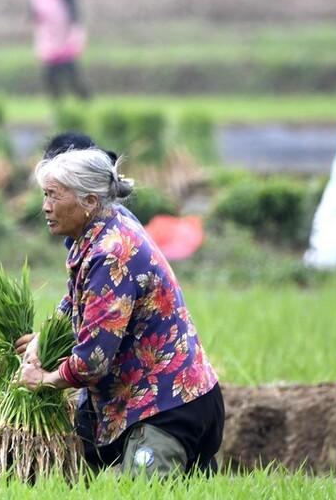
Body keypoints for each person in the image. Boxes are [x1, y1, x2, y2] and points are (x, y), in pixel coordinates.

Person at [14, 148, 225, 476]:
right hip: (175, 400)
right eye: (44, 195)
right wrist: (43, 338)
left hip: (165, 407)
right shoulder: (102, 232)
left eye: (54, 196)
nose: (45, 206)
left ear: (89, 201)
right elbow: (74, 302)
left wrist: (44, 380)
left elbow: (92, 360)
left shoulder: (112, 253)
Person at [29, 0, 90, 101]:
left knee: (67, 65)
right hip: (46, 29)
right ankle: (57, 101)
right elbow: (35, 2)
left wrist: (73, 22)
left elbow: (70, 1)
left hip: (62, 27)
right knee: (49, 68)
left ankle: (81, 97)